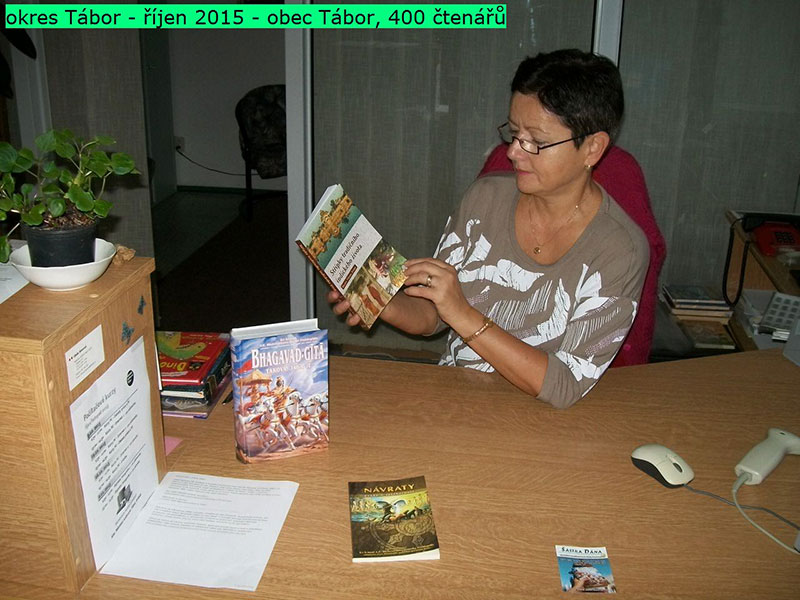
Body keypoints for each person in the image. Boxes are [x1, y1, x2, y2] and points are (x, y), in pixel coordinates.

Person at [328, 49, 648, 409]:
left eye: (536, 142)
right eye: (514, 133)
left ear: (592, 148)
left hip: (544, 421)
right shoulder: (484, 199)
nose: (513, 152)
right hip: (455, 402)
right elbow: (434, 315)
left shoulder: (620, 250)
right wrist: (382, 302)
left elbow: (565, 384)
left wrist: (463, 313)